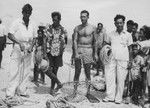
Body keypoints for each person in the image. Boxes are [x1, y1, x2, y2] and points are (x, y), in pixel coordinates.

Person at [65, 10, 98, 102]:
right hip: (79, 49)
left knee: (87, 72)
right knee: (77, 71)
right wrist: (75, 53)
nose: (82, 18)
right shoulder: (77, 28)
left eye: (84, 16)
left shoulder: (92, 28)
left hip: (88, 50)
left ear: (88, 17)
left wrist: (95, 53)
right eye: (81, 16)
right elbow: (74, 41)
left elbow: (95, 41)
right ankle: (74, 91)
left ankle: (88, 92)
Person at [6, 4, 37, 98]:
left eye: (29, 13)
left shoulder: (33, 23)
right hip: (18, 46)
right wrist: (19, 43)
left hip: (28, 47)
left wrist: (31, 46)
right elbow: (10, 34)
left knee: (26, 70)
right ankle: (10, 93)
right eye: (25, 12)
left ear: (31, 13)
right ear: (22, 12)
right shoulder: (17, 22)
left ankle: (22, 90)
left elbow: (35, 37)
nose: (27, 14)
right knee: (14, 70)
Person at [103, 14, 133, 104]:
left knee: (121, 79)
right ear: (115, 23)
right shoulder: (111, 34)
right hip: (111, 59)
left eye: (121, 23)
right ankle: (110, 96)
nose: (119, 24)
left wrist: (130, 61)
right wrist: (105, 52)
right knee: (109, 77)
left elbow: (130, 49)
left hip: (123, 60)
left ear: (123, 23)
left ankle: (118, 98)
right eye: (117, 23)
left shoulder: (128, 35)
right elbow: (106, 45)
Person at [45, 12, 67, 95]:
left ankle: (52, 89)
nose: (54, 21)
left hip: (58, 54)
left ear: (59, 20)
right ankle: (59, 83)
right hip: (49, 53)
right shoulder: (48, 29)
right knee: (46, 70)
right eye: (53, 19)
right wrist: (44, 53)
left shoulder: (63, 30)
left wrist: (62, 50)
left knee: (54, 72)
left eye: (56, 20)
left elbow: (65, 41)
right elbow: (44, 41)